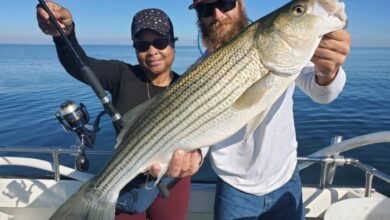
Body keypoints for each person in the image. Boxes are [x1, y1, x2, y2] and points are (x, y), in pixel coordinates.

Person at [185, 0, 351, 219]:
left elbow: (322, 93)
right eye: (206, 9)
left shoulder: (278, 42)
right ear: (198, 16)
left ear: (240, 4)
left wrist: (328, 71)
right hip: (233, 185)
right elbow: (200, 121)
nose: (217, 14)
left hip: (285, 177)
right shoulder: (197, 71)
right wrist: (194, 152)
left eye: (225, 3)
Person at [36, 2, 202, 220]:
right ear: (134, 48)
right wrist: (64, 33)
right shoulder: (122, 75)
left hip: (173, 179)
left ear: (173, 43)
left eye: (160, 42)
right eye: (142, 45)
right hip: (126, 180)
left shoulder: (189, 86)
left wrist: (197, 157)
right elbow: (79, 65)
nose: (152, 51)